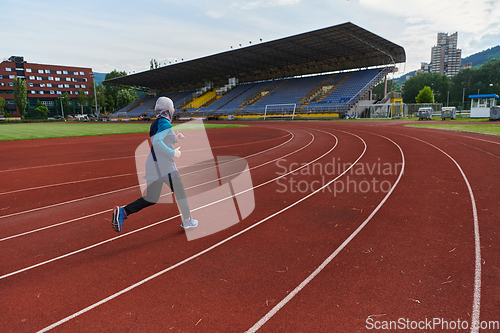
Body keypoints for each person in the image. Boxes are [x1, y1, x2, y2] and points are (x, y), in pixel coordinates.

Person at [111, 96, 198, 232]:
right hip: (165, 166)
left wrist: (176, 138)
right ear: (168, 110)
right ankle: (188, 221)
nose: (174, 110)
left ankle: (124, 212)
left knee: (151, 198)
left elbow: (162, 138)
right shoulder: (166, 123)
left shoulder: (156, 123)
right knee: (181, 193)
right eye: (172, 107)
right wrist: (173, 153)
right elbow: (157, 142)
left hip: (152, 165)